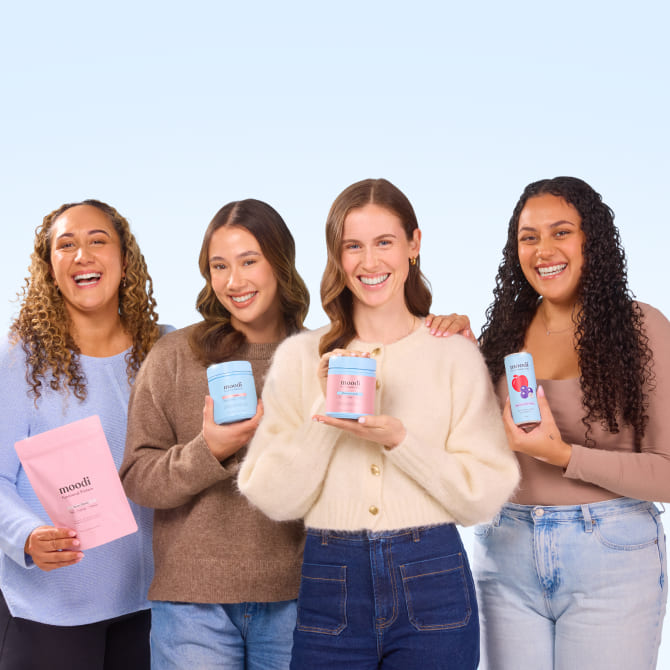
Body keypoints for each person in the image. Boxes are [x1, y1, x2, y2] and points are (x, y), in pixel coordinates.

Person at [238, 178, 519, 670]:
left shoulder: (452, 353)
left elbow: (484, 496)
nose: (369, 263)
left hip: (432, 575)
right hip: (331, 577)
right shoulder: (302, 356)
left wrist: (401, 442)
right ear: (336, 256)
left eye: (384, 242)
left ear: (414, 245)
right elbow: (270, 495)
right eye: (353, 246)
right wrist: (326, 415)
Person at [474, 176, 670, 669]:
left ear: (591, 241)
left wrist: (562, 455)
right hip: (505, 550)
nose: (543, 250)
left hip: (612, 555)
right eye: (529, 236)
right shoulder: (500, 335)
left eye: (561, 232)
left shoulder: (640, 328)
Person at [120, 199, 311, 670]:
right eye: (219, 266)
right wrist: (210, 451)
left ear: (280, 264)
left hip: (296, 598)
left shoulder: (317, 357)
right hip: (191, 606)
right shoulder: (173, 356)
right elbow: (138, 478)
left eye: (249, 261)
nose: (234, 281)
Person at [0, 200, 163, 669]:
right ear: (50, 270)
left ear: (125, 261)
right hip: (47, 614)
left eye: (98, 241)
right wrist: (28, 536)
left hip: (148, 609)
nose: (82, 254)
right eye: (65, 245)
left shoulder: (164, 352)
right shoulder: (20, 362)